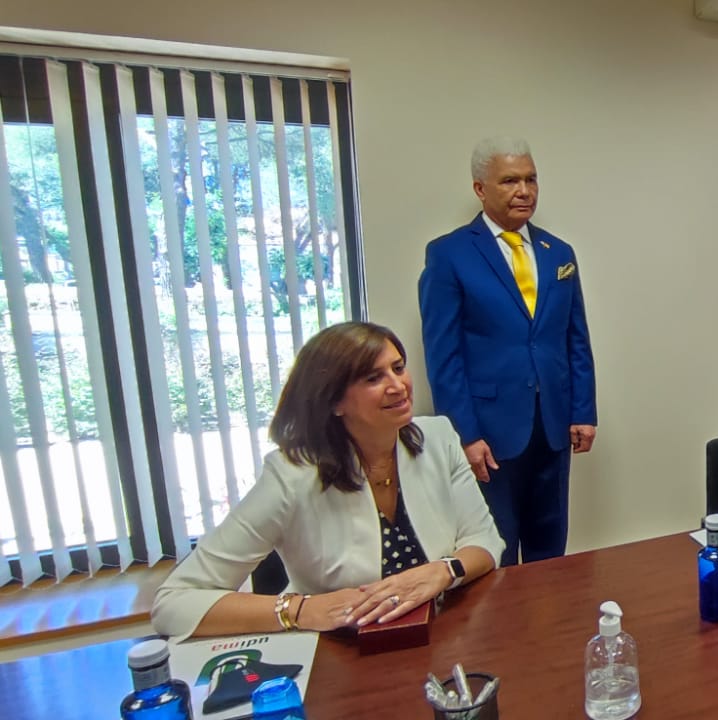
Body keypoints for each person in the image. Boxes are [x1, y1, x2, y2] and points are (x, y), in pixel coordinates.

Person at [151, 322, 502, 641]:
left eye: (398, 368)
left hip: (446, 633)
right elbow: (173, 603)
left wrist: (444, 571)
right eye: (373, 378)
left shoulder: (438, 437)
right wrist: (301, 609)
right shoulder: (289, 475)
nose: (398, 386)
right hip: (342, 652)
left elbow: (484, 539)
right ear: (334, 401)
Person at [418, 137, 597, 565]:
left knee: (550, 547)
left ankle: (550, 610)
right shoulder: (449, 254)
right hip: (490, 432)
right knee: (494, 550)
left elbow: (575, 338)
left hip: (553, 424)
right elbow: (443, 355)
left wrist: (583, 411)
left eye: (531, 180)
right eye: (510, 181)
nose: (524, 191)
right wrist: (465, 434)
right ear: (480, 189)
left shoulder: (559, 252)